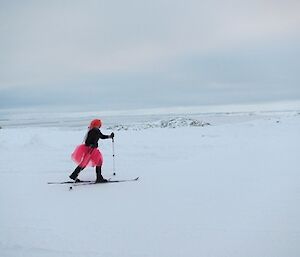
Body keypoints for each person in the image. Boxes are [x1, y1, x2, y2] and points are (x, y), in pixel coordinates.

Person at [69, 119, 114, 183]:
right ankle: (99, 178)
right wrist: (91, 144)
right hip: (90, 150)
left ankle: (74, 175)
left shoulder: (96, 130)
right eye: (99, 124)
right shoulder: (92, 131)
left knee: (96, 162)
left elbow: (102, 136)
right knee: (87, 163)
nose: (100, 125)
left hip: (92, 150)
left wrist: (109, 136)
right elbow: (87, 141)